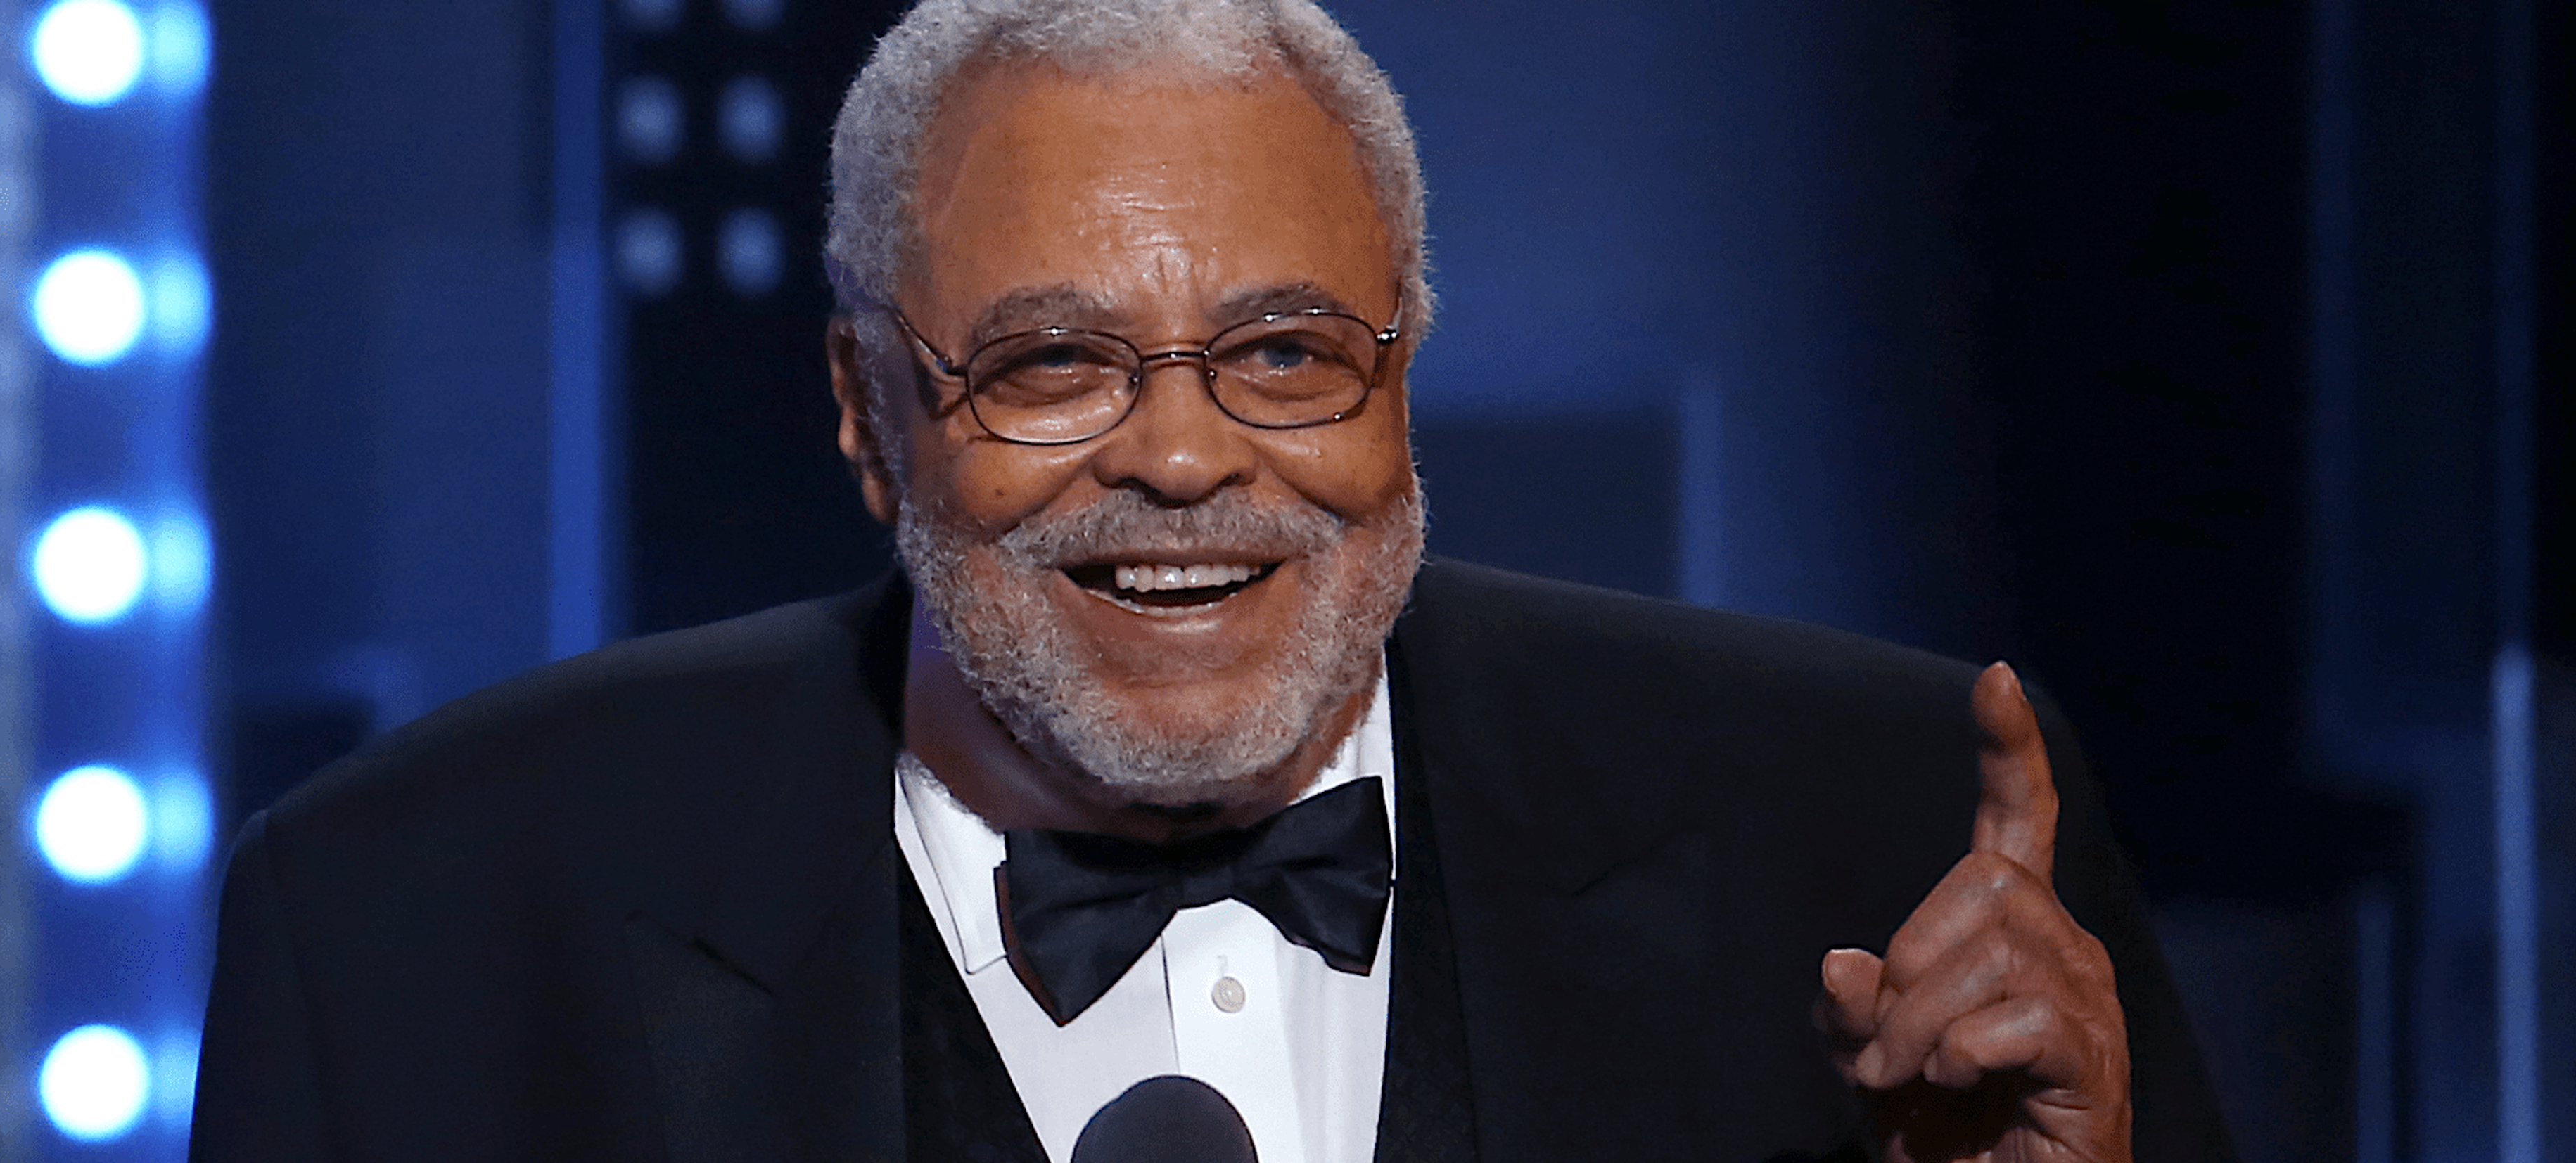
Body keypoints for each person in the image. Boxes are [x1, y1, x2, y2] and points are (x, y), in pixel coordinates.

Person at [190, 1, 2234, 1160]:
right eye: (1052, 362)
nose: (1183, 456)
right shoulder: (408, 928)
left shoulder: (1884, 836)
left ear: (1403, 378)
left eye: (1283, 352)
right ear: (865, 408)